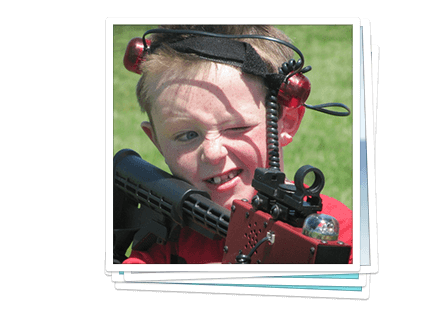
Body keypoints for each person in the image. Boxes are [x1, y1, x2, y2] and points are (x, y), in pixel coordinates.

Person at [120, 25, 353, 264]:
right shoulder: (170, 231)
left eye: (236, 128)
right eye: (187, 135)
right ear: (156, 141)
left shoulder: (333, 232)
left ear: (288, 122)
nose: (212, 153)